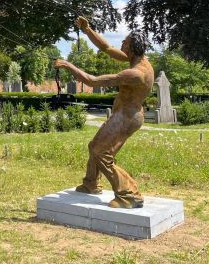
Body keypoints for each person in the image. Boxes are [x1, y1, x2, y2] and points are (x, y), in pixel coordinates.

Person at [54, 16, 153, 208]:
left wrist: (68, 65)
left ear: (132, 47)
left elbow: (93, 81)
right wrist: (87, 30)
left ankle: (129, 194)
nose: (122, 42)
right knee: (95, 146)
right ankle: (91, 183)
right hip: (124, 114)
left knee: (101, 151)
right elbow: (107, 48)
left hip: (126, 117)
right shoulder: (137, 59)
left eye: (125, 41)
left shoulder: (136, 73)